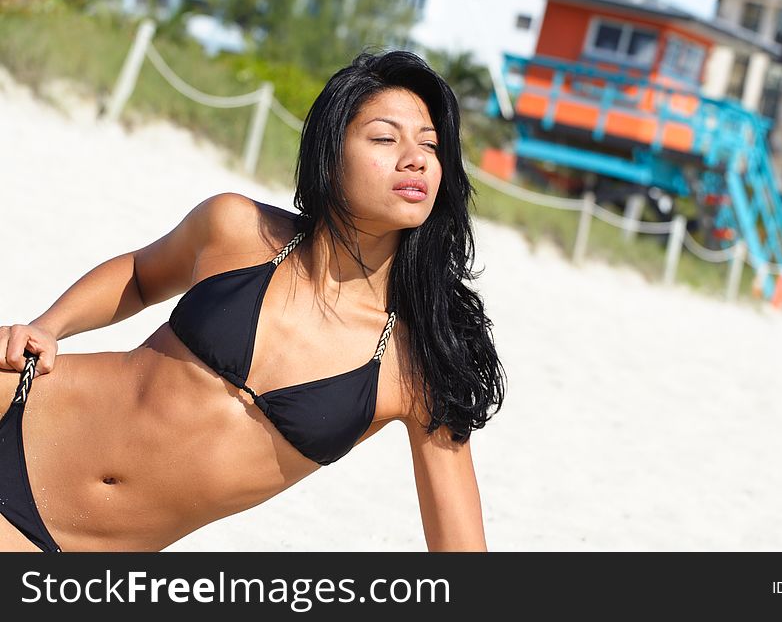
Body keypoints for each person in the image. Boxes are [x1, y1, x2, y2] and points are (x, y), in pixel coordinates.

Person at [0, 50, 506, 552]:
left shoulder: (417, 365)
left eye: (430, 146)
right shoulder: (239, 229)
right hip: (20, 407)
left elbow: (461, 551)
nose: (415, 157)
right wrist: (51, 325)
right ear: (330, 156)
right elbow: (139, 275)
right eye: (383, 138)